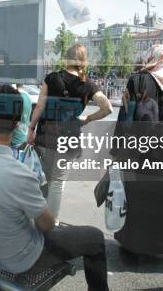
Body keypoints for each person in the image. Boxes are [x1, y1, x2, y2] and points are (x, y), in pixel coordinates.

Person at [0, 85, 109, 291]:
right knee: (94, 237)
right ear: (17, 123)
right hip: (20, 259)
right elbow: (47, 225)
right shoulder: (19, 174)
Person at [27, 45, 112, 223]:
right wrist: (88, 118)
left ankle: (40, 217)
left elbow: (40, 107)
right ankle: (51, 222)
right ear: (83, 60)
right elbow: (107, 108)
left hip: (46, 135)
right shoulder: (87, 84)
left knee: (49, 180)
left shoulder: (51, 78)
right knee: (57, 182)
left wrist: (31, 129)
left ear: (66, 59)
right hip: (69, 138)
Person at [112, 44, 163, 258]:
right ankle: (159, 246)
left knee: (136, 197)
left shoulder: (139, 80)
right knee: (161, 200)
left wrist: (117, 149)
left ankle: (134, 245)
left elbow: (127, 115)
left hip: (139, 153)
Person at [10, 84, 32, 149]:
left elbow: (15, 119)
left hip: (15, 137)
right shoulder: (28, 96)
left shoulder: (16, 96)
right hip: (24, 136)